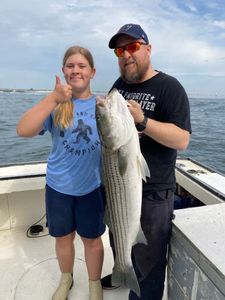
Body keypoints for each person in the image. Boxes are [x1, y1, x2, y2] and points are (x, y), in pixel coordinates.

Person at [101, 24, 192, 300]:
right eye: (120, 50)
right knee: (123, 250)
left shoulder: (169, 87)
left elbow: (182, 140)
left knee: (149, 272)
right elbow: (108, 132)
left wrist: (143, 121)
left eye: (132, 47)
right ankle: (123, 271)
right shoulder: (119, 86)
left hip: (153, 196)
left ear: (148, 49)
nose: (126, 55)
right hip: (119, 190)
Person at [17, 46, 105, 300]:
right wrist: (53, 99)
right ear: (63, 71)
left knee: (92, 240)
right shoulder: (55, 104)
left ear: (92, 71)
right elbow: (23, 130)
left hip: (92, 187)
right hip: (58, 187)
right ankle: (66, 279)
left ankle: (94, 283)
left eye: (81, 66)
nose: (76, 70)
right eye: (70, 65)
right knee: (63, 239)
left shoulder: (102, 105)